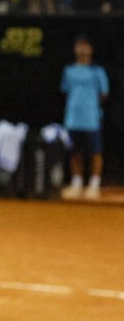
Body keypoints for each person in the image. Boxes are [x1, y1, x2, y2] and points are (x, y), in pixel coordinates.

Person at [61, 35, 109, 200]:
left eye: (85, 46)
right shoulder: (69, 70)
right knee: (75, 152)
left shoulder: (97, 71)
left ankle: (94, 186)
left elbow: (104, 94)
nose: (82, 49)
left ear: (91, 50)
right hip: (72, 119)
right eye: (79, 46)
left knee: (95, 152)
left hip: (91, 118)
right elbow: (66, 90)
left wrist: (89, 105)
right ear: (75, 50)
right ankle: (77, 184)